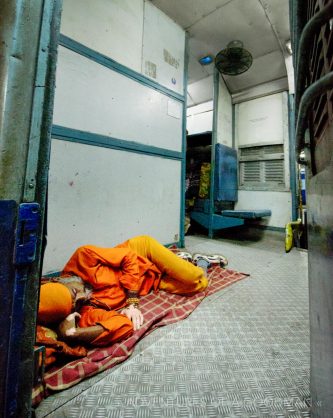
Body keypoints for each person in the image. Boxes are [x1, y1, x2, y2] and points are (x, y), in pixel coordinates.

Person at [38, 235, 227, 347]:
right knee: (198, 286)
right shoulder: (84, 312)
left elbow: (128, 257)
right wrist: (73, 335)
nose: (81, 296)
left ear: (59, 280)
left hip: (141, 253)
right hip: (148, 281)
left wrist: (132, 303)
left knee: (194, 276)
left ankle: (195, 264)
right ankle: (200, 261)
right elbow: (122, 326)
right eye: (75, 302)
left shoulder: (83, 256)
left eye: (73, 292)